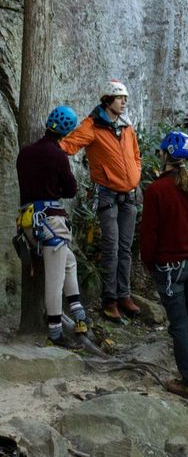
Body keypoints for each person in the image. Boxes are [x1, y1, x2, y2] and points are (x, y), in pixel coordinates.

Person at [140, 131, 188, 400]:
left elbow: (149, 234)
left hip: (170, 268)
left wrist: (149, 262)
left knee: (180, 326)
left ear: (164, 155)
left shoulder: (156, 190)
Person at [60, 80, 142, 322]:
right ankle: (109, 300)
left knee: (125, 248)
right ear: (107, 100)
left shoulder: (126, 126)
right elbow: (68, 146)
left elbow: (136, 155)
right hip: (107, 195)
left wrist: (135, 175)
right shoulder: (92, 126)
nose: (124, 102)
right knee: (112, 247)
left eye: (125, 98)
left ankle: (124, 295)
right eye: (120, 98)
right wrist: (47, 148)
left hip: (129, 196)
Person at [16, 106, 90, 349]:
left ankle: (77, 310)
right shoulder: (58, 155)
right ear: (67, 131)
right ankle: (55, 331)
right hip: (51, 221)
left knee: (69, 261)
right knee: (55, 279)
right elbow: (70, 189)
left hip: (30, 222)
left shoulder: (25, 153)